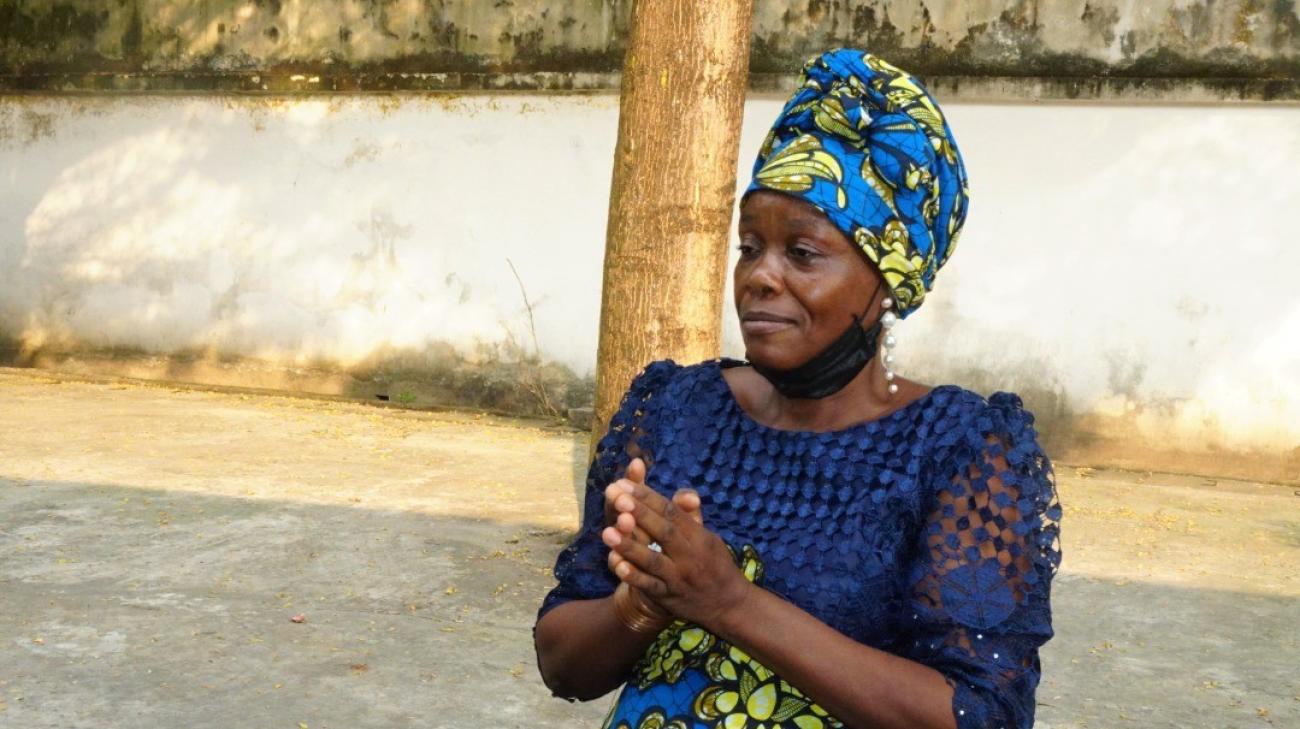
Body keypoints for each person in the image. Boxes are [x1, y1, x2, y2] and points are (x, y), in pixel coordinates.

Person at [533, 49, 1062, 729]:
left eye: (802, 252)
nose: (759, 275)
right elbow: (561, 662)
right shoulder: (675, 409)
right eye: (749, 246)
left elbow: (979, 713)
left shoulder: (960, 451)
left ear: (888, 281)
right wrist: (638, 606)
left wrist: (731, 602)